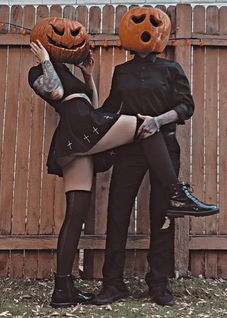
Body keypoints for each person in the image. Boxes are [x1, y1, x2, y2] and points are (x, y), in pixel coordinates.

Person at [28, 31, 218, 308]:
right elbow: (73, 98)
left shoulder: (170, 68)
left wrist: (88, 76)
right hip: (104, 140)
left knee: (91, 215)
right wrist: (44, 60)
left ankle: (71, 288)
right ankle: (113, 281)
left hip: (131, 141)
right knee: (119, 205)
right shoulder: (44, 70)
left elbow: (95, 105)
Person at [92, 7, 219, 307]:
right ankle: (112, 283)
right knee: (118, 213)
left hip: (164, 146)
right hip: (129, 150)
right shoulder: (121, 72)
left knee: (162, 215)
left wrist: (157, 121)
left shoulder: (171, 69)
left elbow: (186, 106)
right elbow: (113, 109)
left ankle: (159, 284)